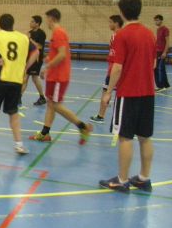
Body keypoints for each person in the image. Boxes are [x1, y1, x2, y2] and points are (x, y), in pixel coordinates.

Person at [99, 0, 156, 192]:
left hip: (129, 93)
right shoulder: (150, 34)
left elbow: (117, 68)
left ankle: (122, 180)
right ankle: (144, 178)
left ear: (122, 12)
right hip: (148, 92)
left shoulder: (122, 35)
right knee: (145, 137)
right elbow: (154, 63)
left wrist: (107, 92)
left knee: (125, 137)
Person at [0, 13, 39, 156]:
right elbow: (36, 51)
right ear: (13, 23)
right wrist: (25, 68)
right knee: (13, 113)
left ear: (0, 24)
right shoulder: (23, 37)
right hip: (16, 81)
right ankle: (19, 145)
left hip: (1, 79)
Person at [30, 8, 94, 144]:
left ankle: (82, 126)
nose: (46, 22)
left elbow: (62, 54)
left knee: (55, 105)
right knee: (50, 104)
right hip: (54, 76)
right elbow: (57, 53)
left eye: (47, 19)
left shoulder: (59, 32)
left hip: (59, 76)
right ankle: (45, 133)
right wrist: (48, 59)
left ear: (51, 19)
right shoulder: (57, 33)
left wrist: (46, 67)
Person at [90, 15, 124, 123]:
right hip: (116, 68)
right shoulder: (120, 35)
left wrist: (112, 70)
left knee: (106, 92)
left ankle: (101, 116)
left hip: (114, 69)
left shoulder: (117, 36)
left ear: (116, 23)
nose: (109, 24)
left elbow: (116, 56)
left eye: (110, 22)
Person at [20, 15, 47, 107]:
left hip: (36, 59)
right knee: (30, 78)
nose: (30, 23)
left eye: (32, 21)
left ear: (37, 23)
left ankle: (19, 98)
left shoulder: (41, 33)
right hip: (29, 58)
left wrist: (30, 39)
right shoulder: (29, 32)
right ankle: (42, 97)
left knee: (29, 78)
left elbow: (39, 46)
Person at [153, 14, 171, 91]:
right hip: (157, 51)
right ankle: (166, 85)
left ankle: (161, 86)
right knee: (161, 68)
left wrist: (164, 52)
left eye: (157, 20)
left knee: (157, 68)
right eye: (155, 20)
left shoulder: (165, 29)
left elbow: (167, 42)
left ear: (161, 20)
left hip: (162, 52)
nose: (156, 22)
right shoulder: (158, 29)